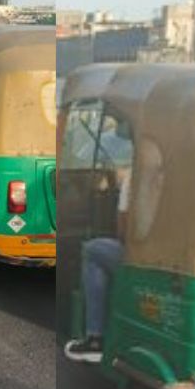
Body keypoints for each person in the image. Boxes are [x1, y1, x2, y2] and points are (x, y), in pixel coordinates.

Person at [64, 131, 133, 363]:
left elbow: (123, 229)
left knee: (92, 250)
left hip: (139, 259)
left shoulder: (136, 177)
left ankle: (95, 337)